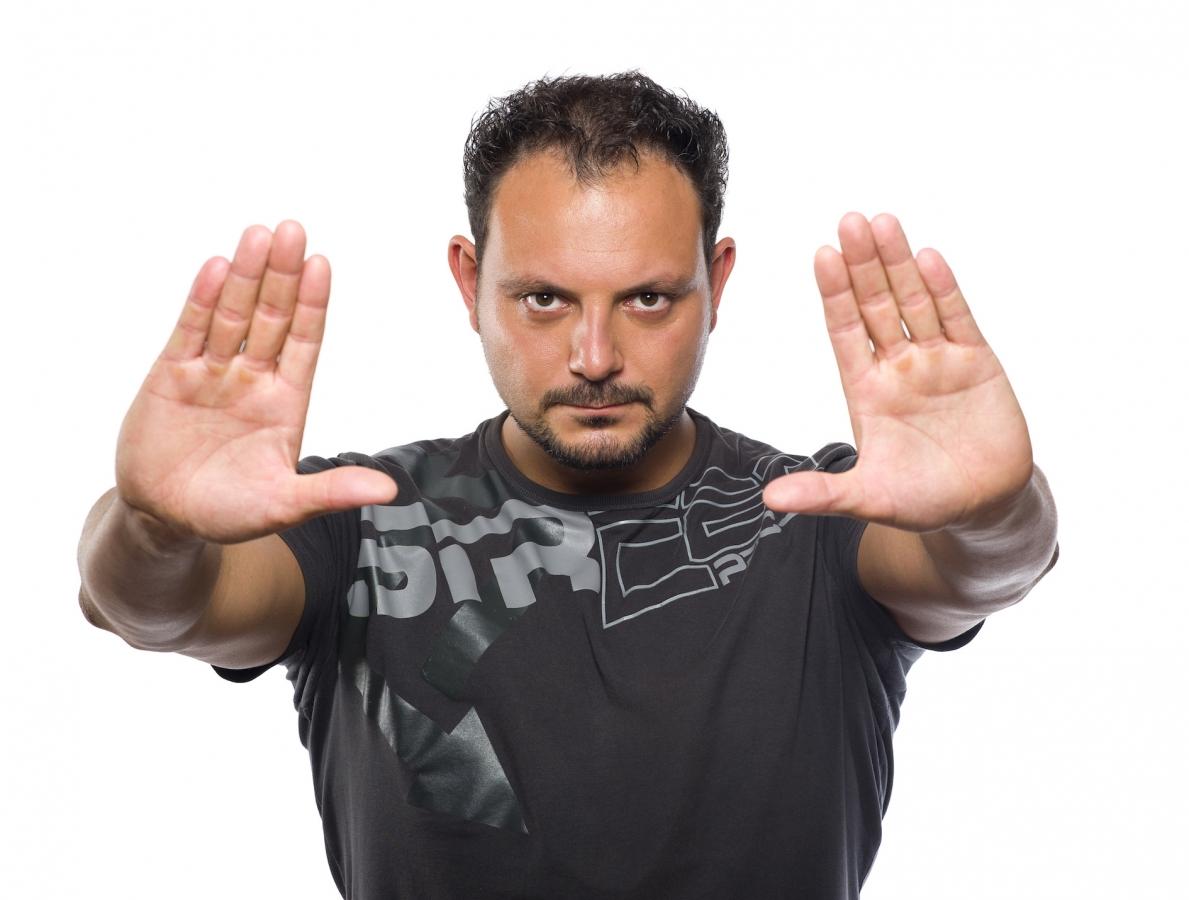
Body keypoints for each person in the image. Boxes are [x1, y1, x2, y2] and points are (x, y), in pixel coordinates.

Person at [77, 70, 1059, 899]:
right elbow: (158, 606)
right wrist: (156, 527)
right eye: (543, 298)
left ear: (716, 283)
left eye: (648, 298)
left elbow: (977, 567)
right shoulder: (356, 519)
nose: (595, 356)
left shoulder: (824, 516)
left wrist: (993, 511)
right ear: (469, 283)